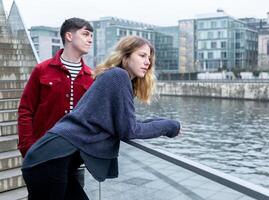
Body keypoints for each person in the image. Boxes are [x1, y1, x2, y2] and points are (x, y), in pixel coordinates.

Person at [21, 35, 181, 200]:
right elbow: (129, 131)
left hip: (52, 160)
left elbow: (127, 123)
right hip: (47, 160)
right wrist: (169, 126)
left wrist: (166, 123)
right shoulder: (118, 76)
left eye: (149, 58)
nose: (147, 62)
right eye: (142, 56)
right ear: (125, 56)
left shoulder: (115, 78)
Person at [17, 17, 94, 157]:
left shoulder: (91, 76)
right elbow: (25, 110)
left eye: (91, 36)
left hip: (76, 155)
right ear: (69, 36)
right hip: (43, 151)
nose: (90, 40)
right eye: (85, 34)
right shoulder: (42, 70)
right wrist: (27, 148)